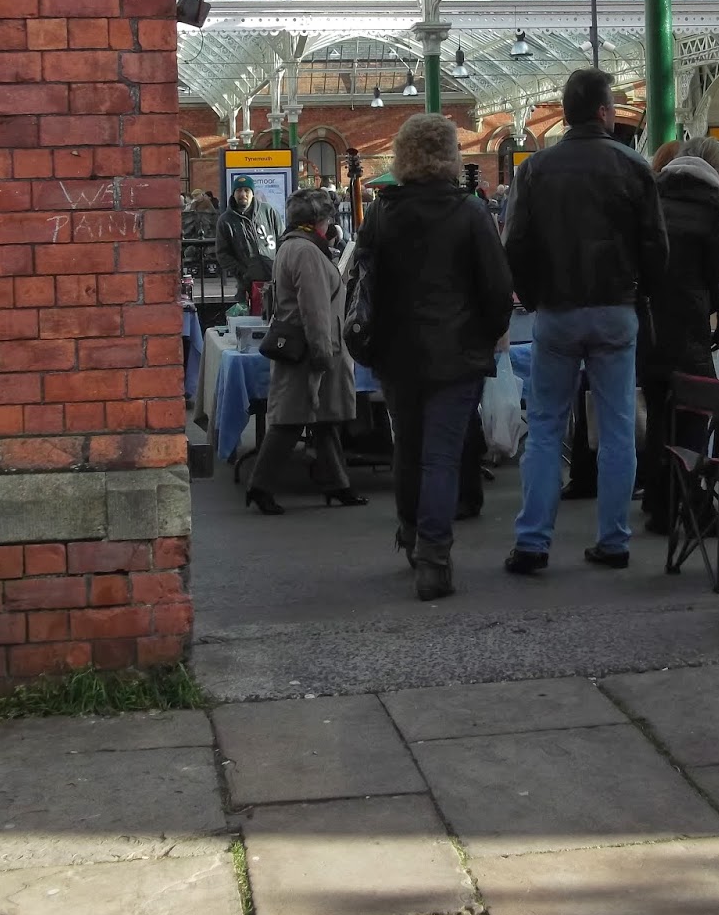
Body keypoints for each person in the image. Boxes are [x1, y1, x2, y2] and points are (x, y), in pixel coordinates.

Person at [501, 69, 669, 573]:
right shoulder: (634, 167)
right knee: (617, 426)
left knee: (548, 426)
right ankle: (614, 540)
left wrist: (534, 297)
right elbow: (655, 247)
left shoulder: (536, 170)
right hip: (616, 310)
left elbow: (516, 245)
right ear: (602, 111)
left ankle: (533, 541)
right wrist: (640, 294)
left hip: (556, 312)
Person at [355, 114, 513, 601]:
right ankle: (434, 559)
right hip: (456, 353)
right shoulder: (469, 213)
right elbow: (497, 289)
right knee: (442, 456)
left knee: (409, 448)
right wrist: (484, 337)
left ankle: (410, 534)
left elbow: (366, 282)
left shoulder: (381, 214)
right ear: (451, 155)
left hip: (396, 353)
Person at [245, 188, 365, 516]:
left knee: (324, 418)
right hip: (312, 349)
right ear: (319, 220)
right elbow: (313, 308)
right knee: (290, 421)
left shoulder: (294, 245)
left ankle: (338, 484)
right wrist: (322, 352)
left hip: (307, 346)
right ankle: (260, 486)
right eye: (328, 218)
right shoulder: (307, 251)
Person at [639, 135, 719, 533]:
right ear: (713, 169)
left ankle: (660, 504)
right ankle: (694, 505)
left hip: (650, 324)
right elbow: (715, 272)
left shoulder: (653, 196)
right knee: (697, 415)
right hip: (689, 327)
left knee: (662, 416)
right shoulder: (710, 206)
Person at [215, 174, 282, 310]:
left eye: (247, 190)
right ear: (233, 193)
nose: (243, 194)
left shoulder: (268, 211)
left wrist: (281, 266)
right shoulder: (226, 220)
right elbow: (223, 254)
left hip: (275, 281)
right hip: (247, 284)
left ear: (252, 192)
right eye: (239, 190)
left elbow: (282, 239)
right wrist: (243, 272)